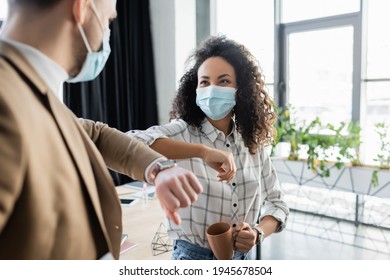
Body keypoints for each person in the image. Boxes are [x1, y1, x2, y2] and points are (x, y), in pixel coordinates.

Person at [0, 0, 225, 260]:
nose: (107, 35)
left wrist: (158, 168)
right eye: (108, 20)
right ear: (82, 8)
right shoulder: (8, 102)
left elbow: (94, 135)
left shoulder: (30, 90)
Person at [129, 35, 289, 260]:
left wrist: (257, 232)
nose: (212, 89)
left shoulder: (252, 142)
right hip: (192, 258)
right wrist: (202, 152)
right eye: (204, 82)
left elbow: (278, 203)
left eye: (223, 81)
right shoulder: (183, 131)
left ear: (240, 89)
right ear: (194, 89)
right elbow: (130, 142)